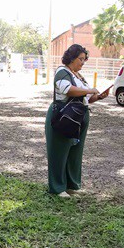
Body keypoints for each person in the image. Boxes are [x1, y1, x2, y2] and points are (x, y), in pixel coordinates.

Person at [45, 44, 109, 197]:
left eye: (84, 60)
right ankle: (57, 188)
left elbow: (86, 98)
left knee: (74, 153)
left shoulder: (78, 76)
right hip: (64, 117)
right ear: (71, 58)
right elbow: (67, 90)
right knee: (59, 152)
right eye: (80, 59)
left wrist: (99, 96)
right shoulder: (62, 71)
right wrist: (89, 90)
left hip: (78, 117)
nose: (82, 62)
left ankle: (71, 185)